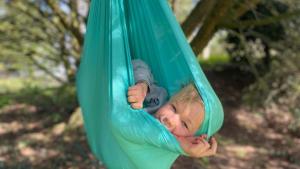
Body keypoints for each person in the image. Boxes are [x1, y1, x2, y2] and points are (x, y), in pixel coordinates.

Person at [127, 59, 219, 158]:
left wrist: (179, 144)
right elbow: (138, 63)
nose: (171, 120)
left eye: (184, 124)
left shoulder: (170, 151)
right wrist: (142, 84)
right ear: (170, 99)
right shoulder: (158, 97)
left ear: (193, 137)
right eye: (174, 108)